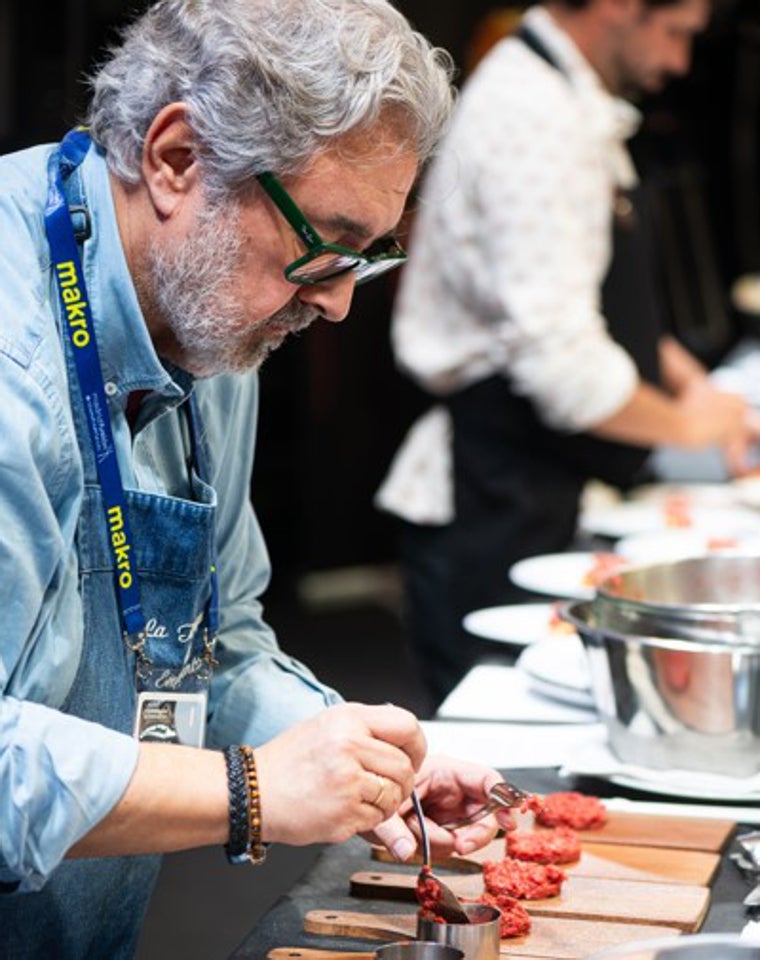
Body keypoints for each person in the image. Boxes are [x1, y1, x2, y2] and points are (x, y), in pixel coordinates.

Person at [0, 2, 516, 956]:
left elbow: (218, 642)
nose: (336, 300)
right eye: (326, 242)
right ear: (176, 159)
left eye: (371, 254)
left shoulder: (212, 318)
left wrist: (365, 759)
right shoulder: (14, 358)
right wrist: (251, 791)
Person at [376, 0, 760, 707]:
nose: (678, 63)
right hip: (496, 496)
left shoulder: (570, 95)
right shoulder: (533, 117)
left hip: (545, 483)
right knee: (499, 782)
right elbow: (563, 367)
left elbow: (588, 300)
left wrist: (692, 385)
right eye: (675, 33)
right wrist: (693, 428)